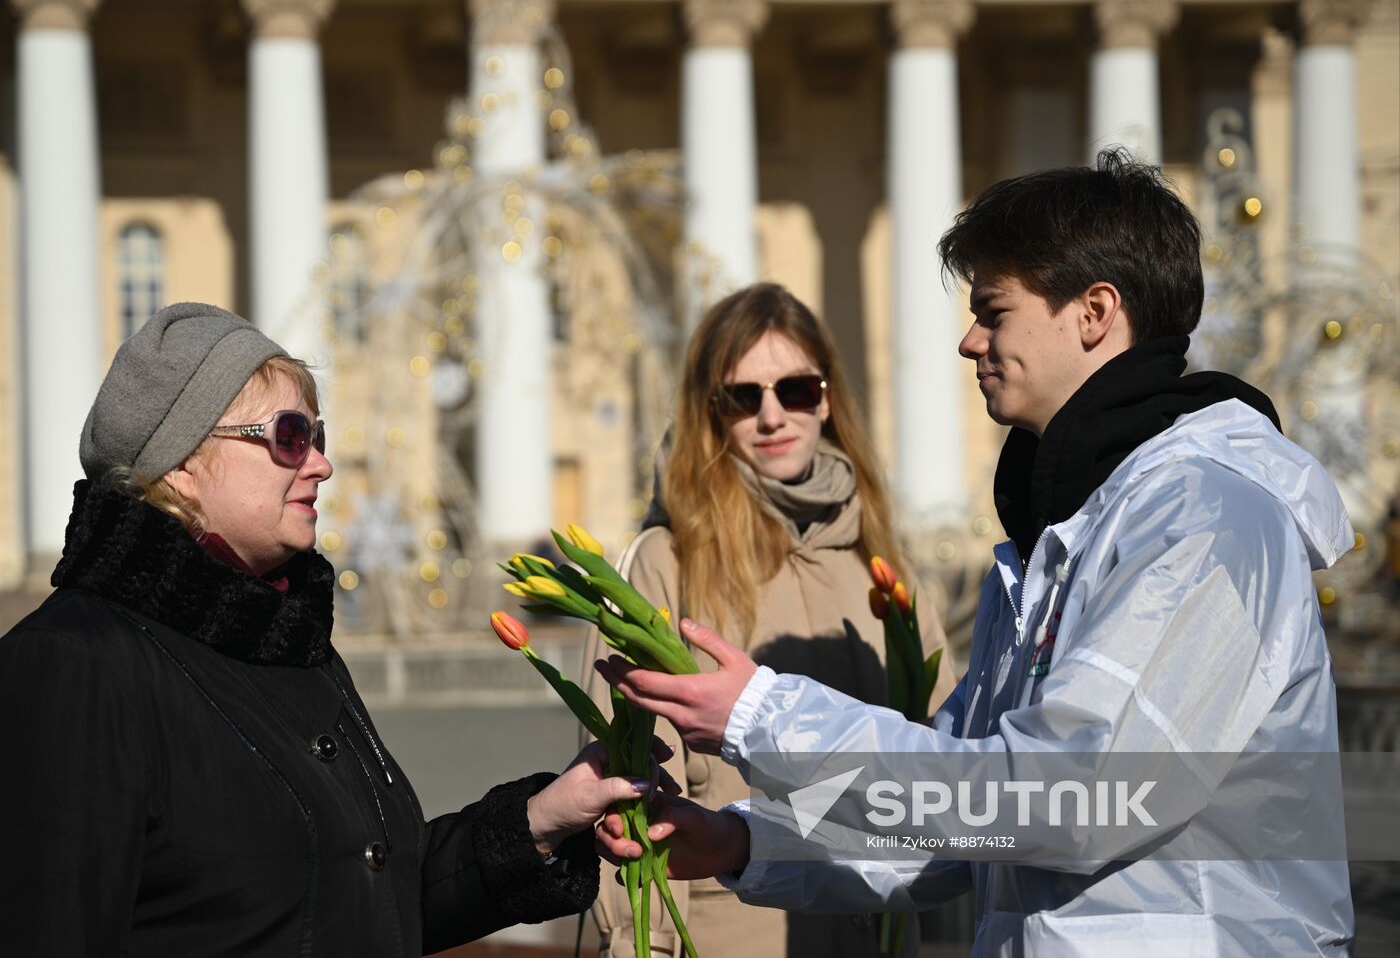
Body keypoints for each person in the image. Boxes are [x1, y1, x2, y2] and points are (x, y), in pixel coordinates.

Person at [596, 151, 1356, 955]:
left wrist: (763, 714)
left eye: (994, 312)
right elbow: (963, 815)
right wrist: (746, 844)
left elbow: (1075, 803)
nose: (969, 341)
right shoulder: (1058, 532)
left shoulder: (1206, 520)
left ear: (1094, 312)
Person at [0, 303, 659, 956]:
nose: (320, 464)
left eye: (319, 437)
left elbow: (368, 896)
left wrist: (543, 820)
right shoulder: (72, 664)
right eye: (290, 436)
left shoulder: (285, 637)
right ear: (181, 464)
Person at [583, 283, 955, 957]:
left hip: (872, 934)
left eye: (798, 390)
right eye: (743, 397)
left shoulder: (882, 563)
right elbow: (623, 784)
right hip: (726, 934)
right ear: (710, 414)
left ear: (829, 398)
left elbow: (948, 765)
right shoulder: (666, 562)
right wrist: (643, 948)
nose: (773, 416)